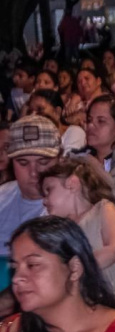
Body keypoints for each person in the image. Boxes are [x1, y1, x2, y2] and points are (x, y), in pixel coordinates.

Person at [40, 158, 115, 322]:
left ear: (72, 183)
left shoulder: (103, 209)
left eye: (49, 190)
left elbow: (114, 249)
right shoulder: (65, 229)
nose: (44, 200)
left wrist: (74, 271)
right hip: (87, 301)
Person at [0, 116, 58, 296]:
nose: (34, 173)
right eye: (23, 163)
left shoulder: (70, 207)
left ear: (60, 159)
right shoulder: (2, 195)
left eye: (43, 162)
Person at [25, 90, 86, 156]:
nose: (33, 116)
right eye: (29, 112)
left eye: (40, 109)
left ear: (57, 112)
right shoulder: (32, 137)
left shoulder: (74, 132)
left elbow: (67, 163)